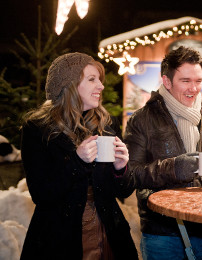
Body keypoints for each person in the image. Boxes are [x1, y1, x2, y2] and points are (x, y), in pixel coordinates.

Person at [20, 52, 138, 260]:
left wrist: (121, 169)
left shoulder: (106, 124)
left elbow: (123, 191)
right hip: (61, 237)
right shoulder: (37, 129)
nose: (101, 86)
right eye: (92, 79)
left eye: (99, 79)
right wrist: (77, 161)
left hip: (108, 231)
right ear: (69, 86)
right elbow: (41, 194)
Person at [124, 46, 202, 260]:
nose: (194, 88)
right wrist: (172, 168)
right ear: (166, 81)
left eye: (198, 81)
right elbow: (130, 175)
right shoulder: (141, 119)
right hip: (162, 232)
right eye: (185, 81)